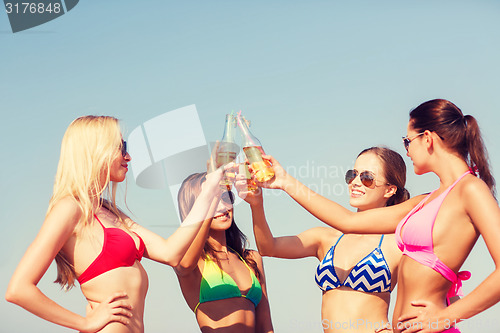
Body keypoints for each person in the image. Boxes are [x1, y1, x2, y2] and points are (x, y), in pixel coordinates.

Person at [256, 99, 500, 333]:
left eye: (408, 141)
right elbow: (348, 222)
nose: (407, 151)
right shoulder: (426, 200)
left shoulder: (470, 189)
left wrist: (446, 316)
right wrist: (286, 182)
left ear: (427, 139)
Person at [5, 116, 225, 333]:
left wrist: (208, 192)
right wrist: (84, 323)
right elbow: (18, 289)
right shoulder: (70, 208)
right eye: (121, 147)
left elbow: (171, 253)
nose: (128, 156)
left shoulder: (109, 211)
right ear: (95, 150)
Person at [237, 147, 409, 333]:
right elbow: (268, 248)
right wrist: (256, 205)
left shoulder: (396, 243)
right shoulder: (326, 238)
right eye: (352, 175)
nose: (355, 183)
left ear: (390, 190)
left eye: (367, 178)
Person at [175, 172, 273, 333]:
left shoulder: (251, 259)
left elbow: (265, 326)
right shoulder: (191, 261)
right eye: (212, 200)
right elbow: (183, 265)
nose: (222, 206)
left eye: (225, 197)